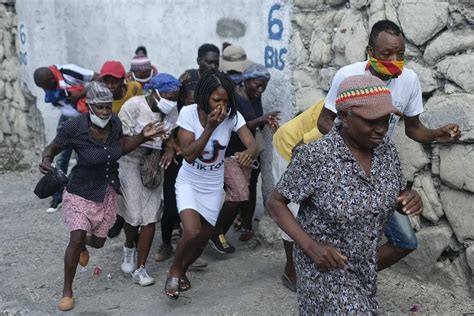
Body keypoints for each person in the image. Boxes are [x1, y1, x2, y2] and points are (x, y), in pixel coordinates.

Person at [267, 74, 423, 314]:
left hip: (365, 266)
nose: (381, 129)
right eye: (372, 121)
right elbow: (276, 202)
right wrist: (310, 247)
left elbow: (392, 198)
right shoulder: (316, 156)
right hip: (323, 269)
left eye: (386, 120)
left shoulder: (387, 152)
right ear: (345, 117)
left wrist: (407, 200)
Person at [316, 20, 461, 270]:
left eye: (401, 54)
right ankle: (335, 283)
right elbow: (324, 121)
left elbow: (413, 128)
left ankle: (353, 275)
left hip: (381, 169)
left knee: (405, 240)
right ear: (370, 53)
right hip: (343, 165)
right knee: (341, 235)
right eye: (386, 54)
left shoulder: (409, 80)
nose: (395, 59)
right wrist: (353, 150)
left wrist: (438, 133)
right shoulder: (348, 76)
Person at [38, 81, 165, 311]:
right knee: (75, 238)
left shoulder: (114, 123)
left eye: (108, 107)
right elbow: (52, 148)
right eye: (101, 108)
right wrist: (46, 160)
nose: (106, 112)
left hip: (106, 191)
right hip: (79, 191)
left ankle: (83, 246)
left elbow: (122, 147)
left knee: (97, 242)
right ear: (89, 106)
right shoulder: (75, 127)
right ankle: (67, 290)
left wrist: (143, 136)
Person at [164, 70, 257, 300]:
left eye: (226, 100)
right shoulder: (188, 113)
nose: (221, 105)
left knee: (202, 239)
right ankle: (174, 270)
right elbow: (188, 155)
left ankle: (183, 271)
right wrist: (209, 129)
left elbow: (252, 143)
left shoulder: (232, 116)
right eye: (217, 100)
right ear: (205, 97)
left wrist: (249, 152)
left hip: (213, 186)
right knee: (192, 230)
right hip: (189, 182)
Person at [117, 73, 181, 286]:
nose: (171, 101)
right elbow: (121, 142)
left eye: (175, 97)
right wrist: (144, 136)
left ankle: (141, 269)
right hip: (130, 161)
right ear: (155, 92)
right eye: (168, 96)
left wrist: (169, 148)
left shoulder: (172, 111)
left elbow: (170, 135)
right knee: (133, 215)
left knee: (151, 216)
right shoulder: (133, 107)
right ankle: (129, 247)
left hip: (153, 164)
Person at [209, 64, 279, 253]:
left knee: (243, 194)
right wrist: (260, 120)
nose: (260, 90)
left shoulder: (255, 97)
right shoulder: (233, 99)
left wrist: (264, 123)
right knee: (239, 193)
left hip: (248, 153)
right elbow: (237, 124)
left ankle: (226, 230)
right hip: (229, 153)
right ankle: (215, 231)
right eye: (257, 85)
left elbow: (253, 125)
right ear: (246, 81)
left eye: (264, 86)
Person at [271, 100, 325, 292]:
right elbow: (298, 150)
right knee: (291, 211)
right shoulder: (334, 120)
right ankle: (291, 271)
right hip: (290, 148)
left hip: (312, 153)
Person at [34, 64, 96, 213]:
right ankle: (57, 196)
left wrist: (79, 95)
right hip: (66, 120)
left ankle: (79, 194)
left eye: (47, 86)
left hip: (85, 119)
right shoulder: (49, 83)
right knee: (61, 158)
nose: (46, 90)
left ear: (51, 77)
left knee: (85, 158)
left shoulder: (69, 71)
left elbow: (99, 79)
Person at [98, 60, 143, 238]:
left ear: (123, 80)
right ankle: (119, 218)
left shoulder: (135, 89)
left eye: (114, 81)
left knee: (134, 185)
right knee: (116, 184)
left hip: (135, 140)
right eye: (106, 81)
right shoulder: (102, 98)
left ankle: (128, 220)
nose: (110, 86)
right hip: (113, 143)